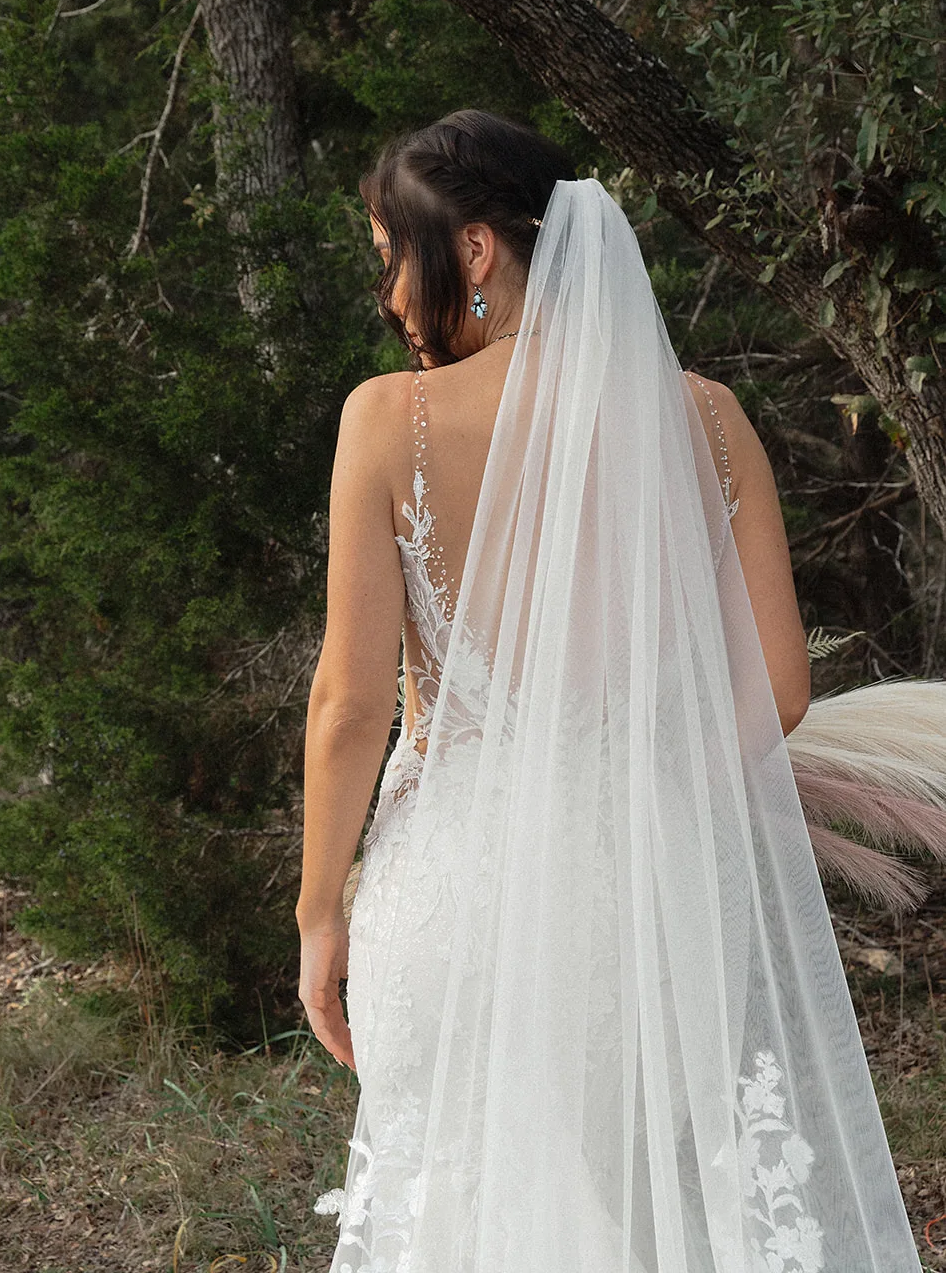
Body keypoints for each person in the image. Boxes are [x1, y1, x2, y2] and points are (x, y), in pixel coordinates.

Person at [297, 111, 923, 1271]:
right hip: (651, 893)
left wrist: (317, 909)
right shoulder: (706, 420)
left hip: (455, 893)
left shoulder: (388, 420)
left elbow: (346, 704)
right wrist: (633, 777)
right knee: (646, 1216)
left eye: (392, 254)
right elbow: (779, 691)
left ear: (473, 250)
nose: (390, 296)